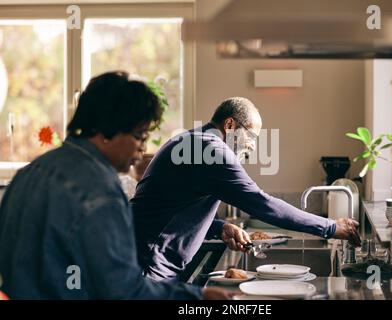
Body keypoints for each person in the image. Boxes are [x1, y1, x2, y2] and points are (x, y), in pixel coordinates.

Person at [0, 71, 229, 300]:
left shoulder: (30, 173)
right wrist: (198, 296)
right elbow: (123, 290)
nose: (142, 147)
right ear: (107, 130)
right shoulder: (100, 193)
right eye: (139, 135)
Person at [131, 97, 361, 281]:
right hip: (147, 265)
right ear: (230, 125)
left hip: (142, 258)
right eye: (251, 136)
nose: (252, 145)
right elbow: (261, 203)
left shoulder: (191, 141)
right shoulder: (210, 150)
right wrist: (330, 227)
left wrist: (219, 228)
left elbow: (172, 208)